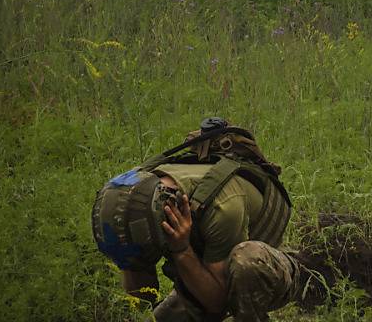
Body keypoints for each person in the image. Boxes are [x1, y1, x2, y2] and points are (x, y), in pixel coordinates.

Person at [91, 118, 315, 321]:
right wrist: (130, 261)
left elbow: (217, 302)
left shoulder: (223, 205)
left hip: (267, 269)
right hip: (205, 261)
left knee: (246, 261)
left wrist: (181, 250)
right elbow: (142, 301)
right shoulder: (132, 195)